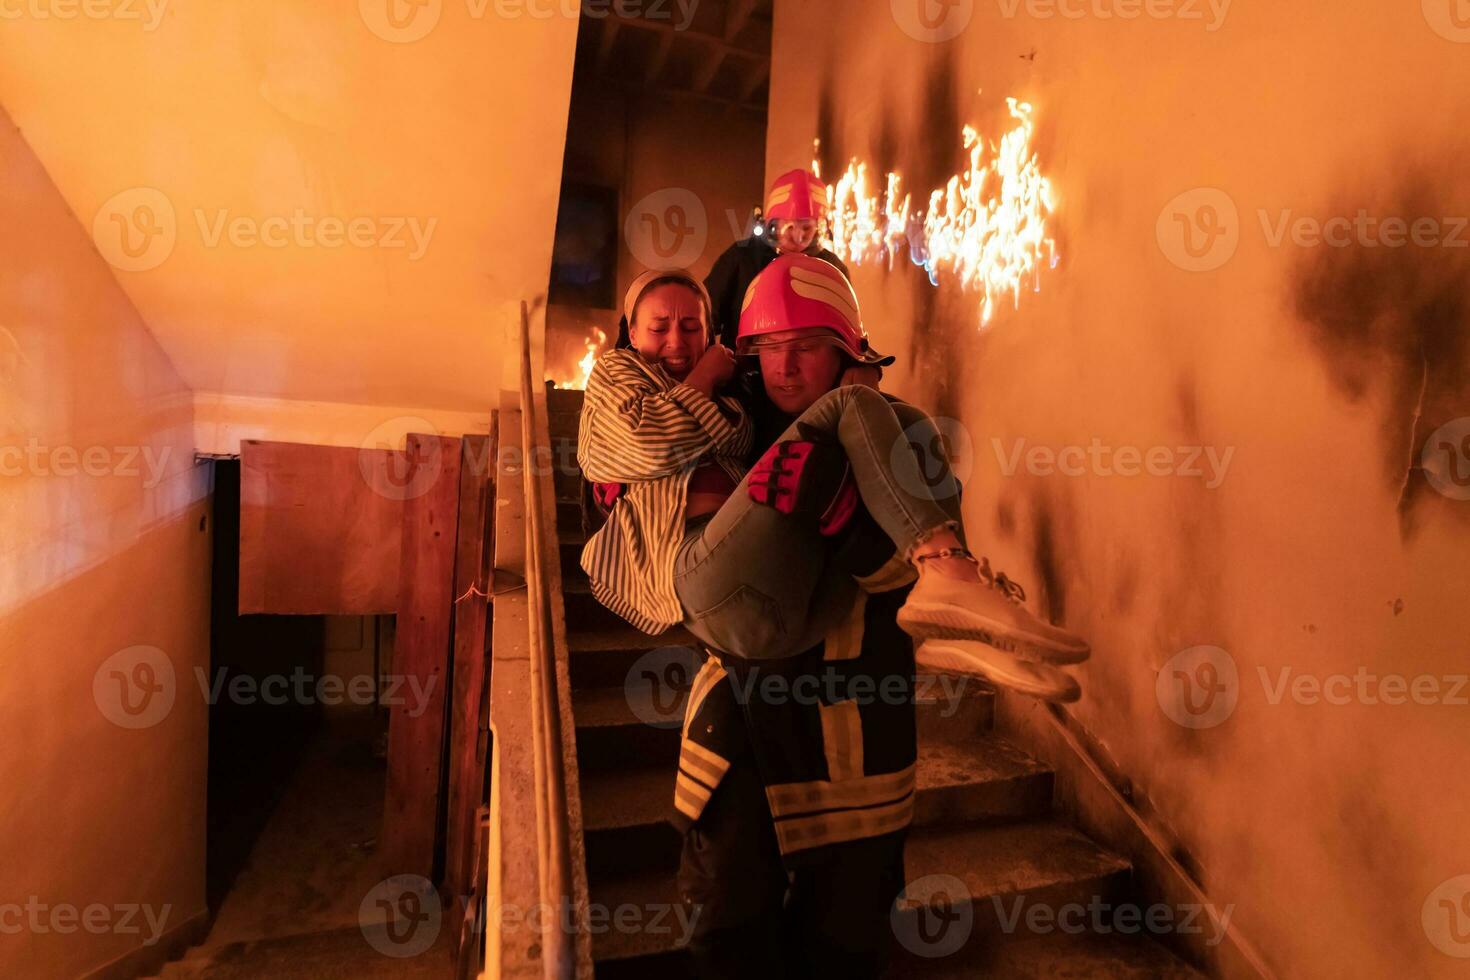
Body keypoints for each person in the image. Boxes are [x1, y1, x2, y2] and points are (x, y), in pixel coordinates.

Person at [578, 257, 1088, 677]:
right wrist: (712, 374)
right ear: (631, 333)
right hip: (696, 573)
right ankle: (947, 574)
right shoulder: (619, 375)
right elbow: (644, 441)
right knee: (850, 407)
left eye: (691, 327)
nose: (676, 341)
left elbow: (769, 434)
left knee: (904, 417)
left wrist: (862, 392)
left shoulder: (737, 396)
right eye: (659, 327)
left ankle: (950, 612)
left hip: (796, 605)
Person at [704, 168, 851, 349]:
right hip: (741, 371)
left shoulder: (833, 269)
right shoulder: (742, 258)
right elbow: (706, 317)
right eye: (790, 227)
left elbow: (848, 332)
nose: (799, 235)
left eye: (806, 227)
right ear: (774, 223)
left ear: (819, 226)